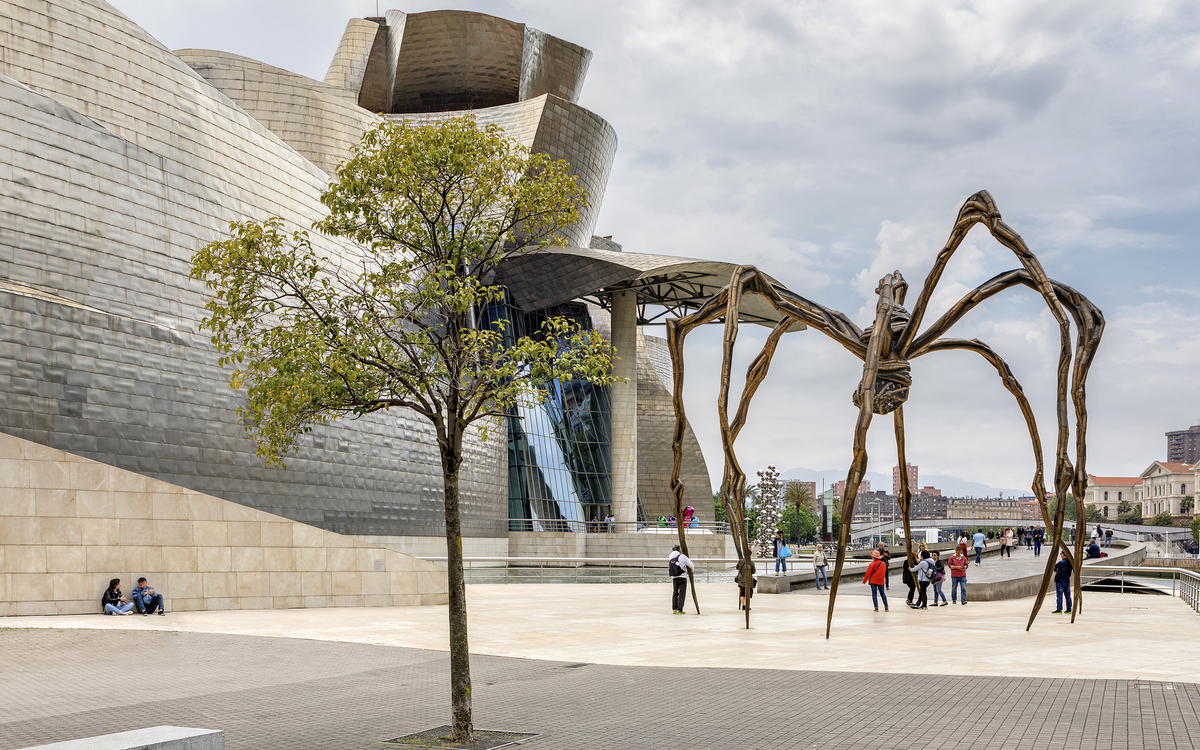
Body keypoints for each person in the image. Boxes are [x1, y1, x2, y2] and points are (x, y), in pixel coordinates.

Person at [668, 544, 693, 614]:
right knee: (682, 593)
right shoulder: (682, 556)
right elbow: (691, 564)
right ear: (679, 550)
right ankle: (679, 609)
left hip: (674, 577)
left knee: (675, 593)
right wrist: (690, 571)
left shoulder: (670, 557)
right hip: (682, 576)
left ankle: (674, 609)